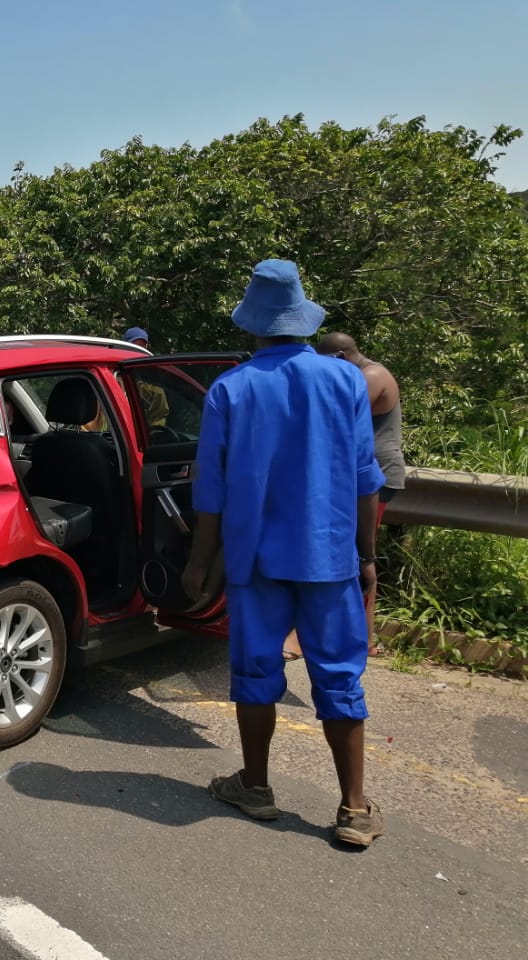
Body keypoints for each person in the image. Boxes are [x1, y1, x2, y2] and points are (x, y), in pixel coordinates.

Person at [181, 259, 387, 847]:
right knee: (339, 677)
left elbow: (212, 490)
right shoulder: (346, 380)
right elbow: (363, 477)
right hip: (327, 558)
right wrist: (366, 554)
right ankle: (353, 809)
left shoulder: (231, 388)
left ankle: (255, 785)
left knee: (254, 671)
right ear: (302, 320)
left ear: (254, 325)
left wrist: (199, 562)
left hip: (255, 561)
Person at [282, 333, 405, 661]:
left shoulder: (370, 376)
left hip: (373, 479)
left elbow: (333, 414)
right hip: (353, 477)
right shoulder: (355, 372)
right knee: (354, 551)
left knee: (360, 554)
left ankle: (309, 635)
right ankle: (363, 639)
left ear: (338, 356)